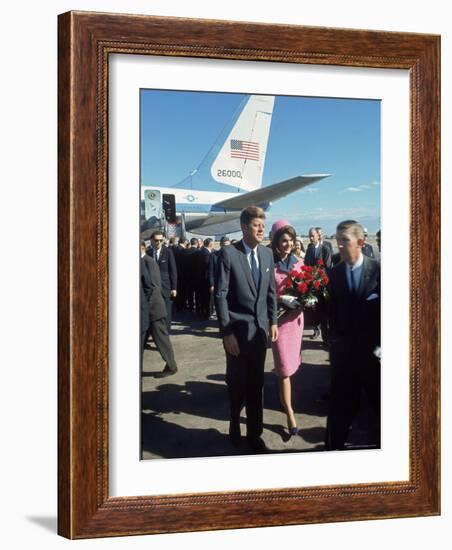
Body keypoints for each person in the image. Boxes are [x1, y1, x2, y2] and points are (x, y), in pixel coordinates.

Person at [215, 206, 278, 453]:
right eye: (256, 225)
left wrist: (272, 321)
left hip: (260, 333)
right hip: (237, 335)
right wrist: (226, 332)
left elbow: (271, 292)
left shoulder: (267, 254)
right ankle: (234, 421)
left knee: (256, 385)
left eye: (263, 225)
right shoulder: (229, 254)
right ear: (244, 227)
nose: (261, 229)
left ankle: (255, 434)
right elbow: (220, 295)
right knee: (236, 384)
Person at [325, 220, 381, 450]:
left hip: (373, 357)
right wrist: (334, 346)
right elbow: (332, 313)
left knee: (379, 409)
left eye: (344, 241)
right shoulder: (334, 274)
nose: (339, 245)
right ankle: (333, 450)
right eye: (337, 241)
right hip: (344, 357)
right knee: (340, 410)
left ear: (360, 242)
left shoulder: (378, 271)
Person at [270, 220, 304, 436]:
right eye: (284, 240)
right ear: (275, 242)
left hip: (296, 321)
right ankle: (289, 412)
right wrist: (281, 298)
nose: (288, 244)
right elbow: (264, 293)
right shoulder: (268, 264)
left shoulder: (299, 262)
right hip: (279, 323)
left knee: (291, 366)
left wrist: (306, 299)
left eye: (291, 240)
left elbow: (309, 287)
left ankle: (287, 399)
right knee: (283, 368)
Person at [141, 242, 178, 378]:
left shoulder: (148, 262)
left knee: (161, 339)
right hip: (148, 309)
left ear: (142, 248)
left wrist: (147, 308)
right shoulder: (146, 261)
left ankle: (171, 365)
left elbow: (153, 287)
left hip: (152, 308)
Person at [146, 230, 178, 332]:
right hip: (151, 287)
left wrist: (174, 288)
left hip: (165, 287)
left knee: (166, 311)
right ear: (151, 240)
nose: (158, 242)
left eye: (161, 240)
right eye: (156, 240)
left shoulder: (168, 252)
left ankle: (166, 333)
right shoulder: (148, 253)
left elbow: (173, 271)